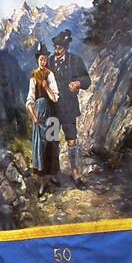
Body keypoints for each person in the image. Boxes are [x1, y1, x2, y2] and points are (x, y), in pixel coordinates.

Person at [49, 28, 91, 187]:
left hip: (68, 109)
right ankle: (54, 173)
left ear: (65, 47)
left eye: (59, 47)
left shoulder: (76, 61)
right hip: (52, 110)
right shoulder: (50, 61)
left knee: (72, 141)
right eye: (55, 47)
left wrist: (78, 83)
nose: (56, 50)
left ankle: (75, 173)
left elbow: (87, 80)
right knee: (52, 140)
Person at [27, 47, 60, 197]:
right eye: (41, 58)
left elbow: (55, 98)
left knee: (52, 145)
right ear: (37, 59)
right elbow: (29, 100)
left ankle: (52, 175)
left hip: (52, 114)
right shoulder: (33, 76)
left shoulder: (50, 75)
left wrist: (46, 88)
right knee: (40, 148)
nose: (43, 61)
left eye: (45, 59)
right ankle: (42, 183)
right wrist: (34, 117)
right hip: (39, 117)